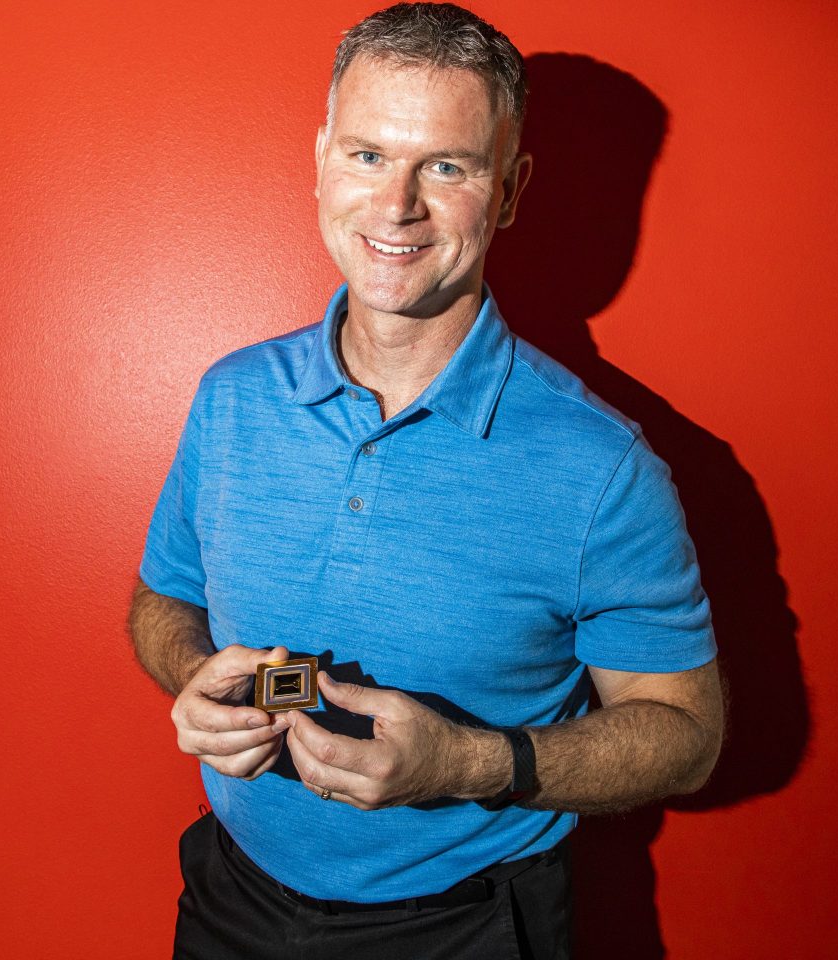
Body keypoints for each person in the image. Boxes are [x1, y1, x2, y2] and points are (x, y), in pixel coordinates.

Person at [129, 3, 723, 957]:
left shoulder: (604, 467)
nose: (397, 204)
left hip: (466, 926)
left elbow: (688, 736)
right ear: (322, 159)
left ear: (510, 191)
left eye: (447, 167)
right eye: (368, 155)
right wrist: (193, 672)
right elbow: (163, 599)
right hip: (231, 897)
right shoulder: (231, 396)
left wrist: (470, 763)